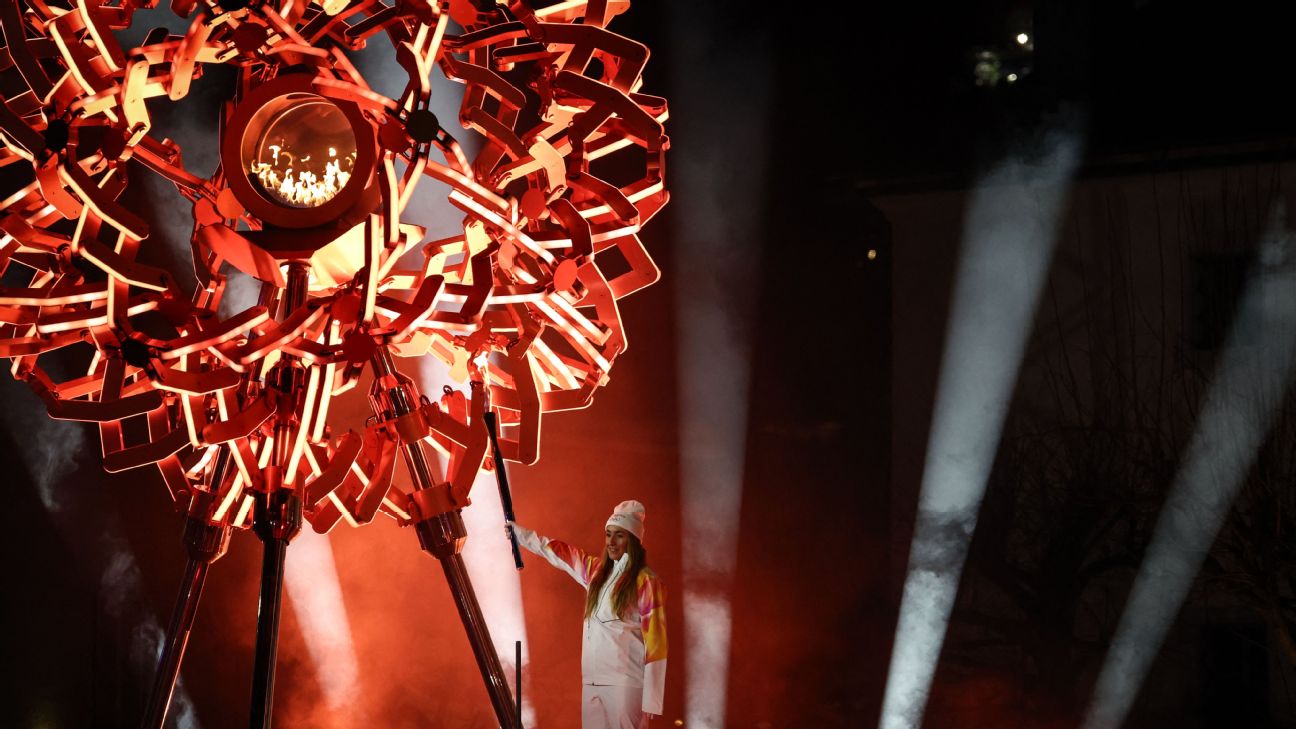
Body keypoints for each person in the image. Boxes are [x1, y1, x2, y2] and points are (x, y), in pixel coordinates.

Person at [510, 500, 667, 728]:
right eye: (608, 534)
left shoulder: (646, 581)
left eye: (619, 535)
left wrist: (652, 698)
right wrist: (520, 535)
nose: (611, 542)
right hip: (592, 682)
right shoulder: (595, 573)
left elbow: (656, 640)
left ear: (633, 540)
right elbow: (560, 552)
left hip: (624, 686)